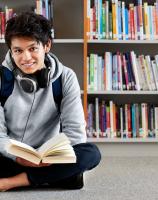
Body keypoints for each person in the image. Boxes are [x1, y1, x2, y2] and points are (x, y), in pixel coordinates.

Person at [0, 12, 101, 191]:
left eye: (32, 49)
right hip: (9, 157)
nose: (25, 58)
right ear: (10, 50)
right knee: (72, 178)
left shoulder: (66, 77)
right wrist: (17, 156)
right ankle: (54, 178)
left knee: (91, 154)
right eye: (18, 50)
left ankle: (13, 182)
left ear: (47, 46)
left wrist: (49, 157)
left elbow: (75, 133)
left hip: (48, 159)